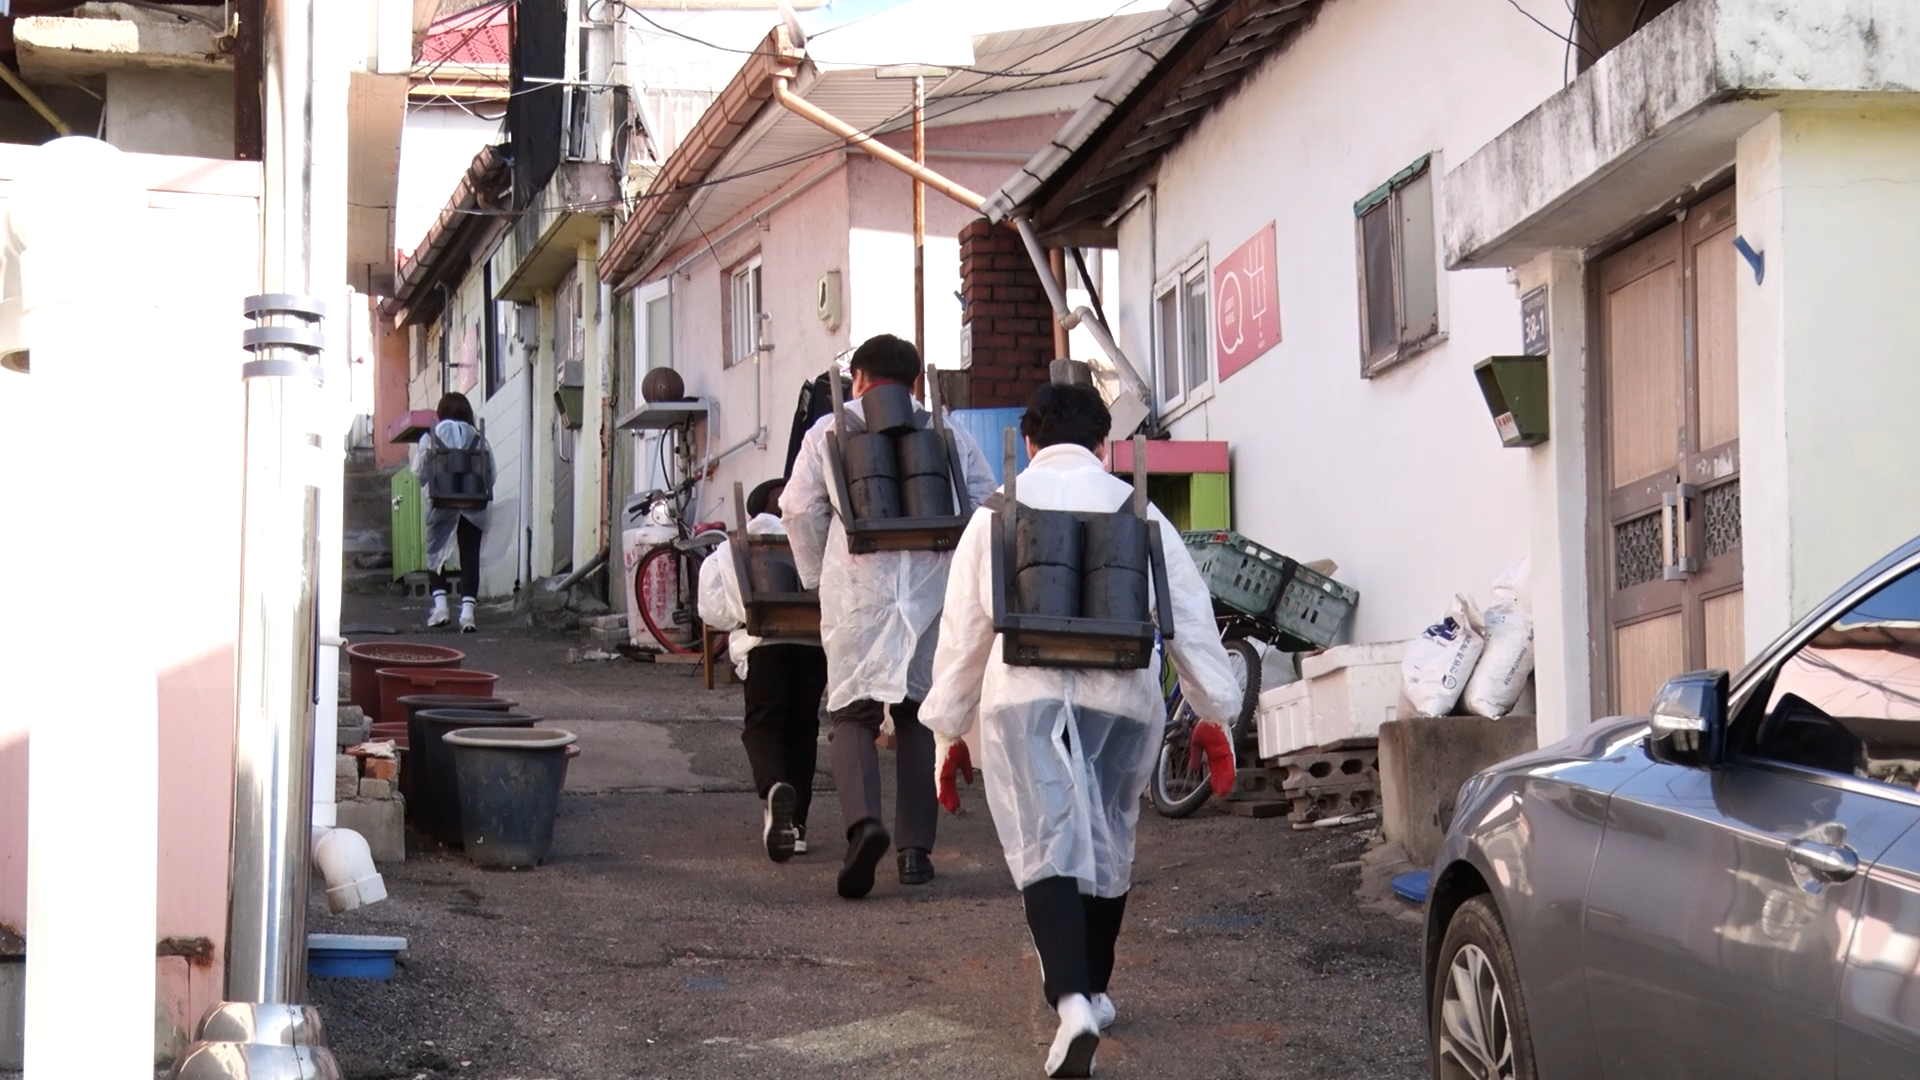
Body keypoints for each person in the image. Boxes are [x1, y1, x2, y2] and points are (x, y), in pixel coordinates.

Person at [920, 383, 1242, 1078]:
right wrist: (1214, 712)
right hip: (1120, 700)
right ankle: (1094, 989)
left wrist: (948, 731)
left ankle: (1070, 1004)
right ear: (1105, 446)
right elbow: (1187, 613)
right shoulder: (1136, 507)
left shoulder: (997, 513)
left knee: (1048, 844)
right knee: (1106, 835)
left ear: (1030, 442)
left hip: (1024, 698)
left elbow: (964, 636)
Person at [782, 334, 997, 900]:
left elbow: (798, 507)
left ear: (857, 378)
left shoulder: (828, 430)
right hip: (930, 591)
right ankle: (914, 854)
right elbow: (983, 503)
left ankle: (863, 826)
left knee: (852, 712)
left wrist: (814, 575)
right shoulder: (943, 430)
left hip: (858, 590)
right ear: (914, 384)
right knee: (916, 717)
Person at [697, 479, 829, 863]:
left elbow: (714, 610)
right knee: (803, 729)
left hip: (764, 645)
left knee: (763, 724)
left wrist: (744, 617)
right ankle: (798, 828)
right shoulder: (813, 539)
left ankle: (774, 789)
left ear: (754, 511)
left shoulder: (732, 548)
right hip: (813, 646)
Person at [410, 391, 494, 633]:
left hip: (441, 501)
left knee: (436, 554)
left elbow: (419, 472)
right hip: (473, 504)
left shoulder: (432, 437)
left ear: (441, 412)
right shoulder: (480, 438)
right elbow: (491, 474)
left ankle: (441, 608)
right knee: (470, 556)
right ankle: (467, 615)